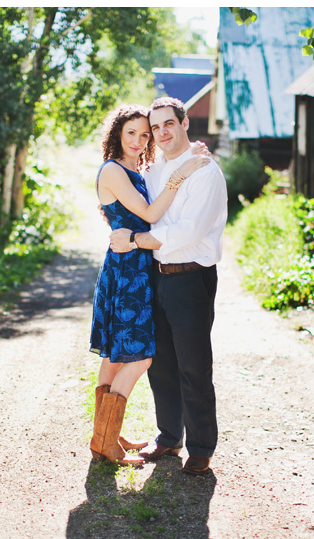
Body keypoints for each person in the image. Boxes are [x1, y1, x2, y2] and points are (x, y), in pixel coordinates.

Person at [109, 96, 228, 475]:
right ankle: (169, 437)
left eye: (168, 124)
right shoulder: (155, 169)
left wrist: (135, 239)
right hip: (154, 277)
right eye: (155, 127)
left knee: (194, 366)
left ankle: (202, 446)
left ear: (185, 123)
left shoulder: (206, 171)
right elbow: (137, 209)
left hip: (192, 277)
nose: (161, 132)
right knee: (161, 365)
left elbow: (187, 233)